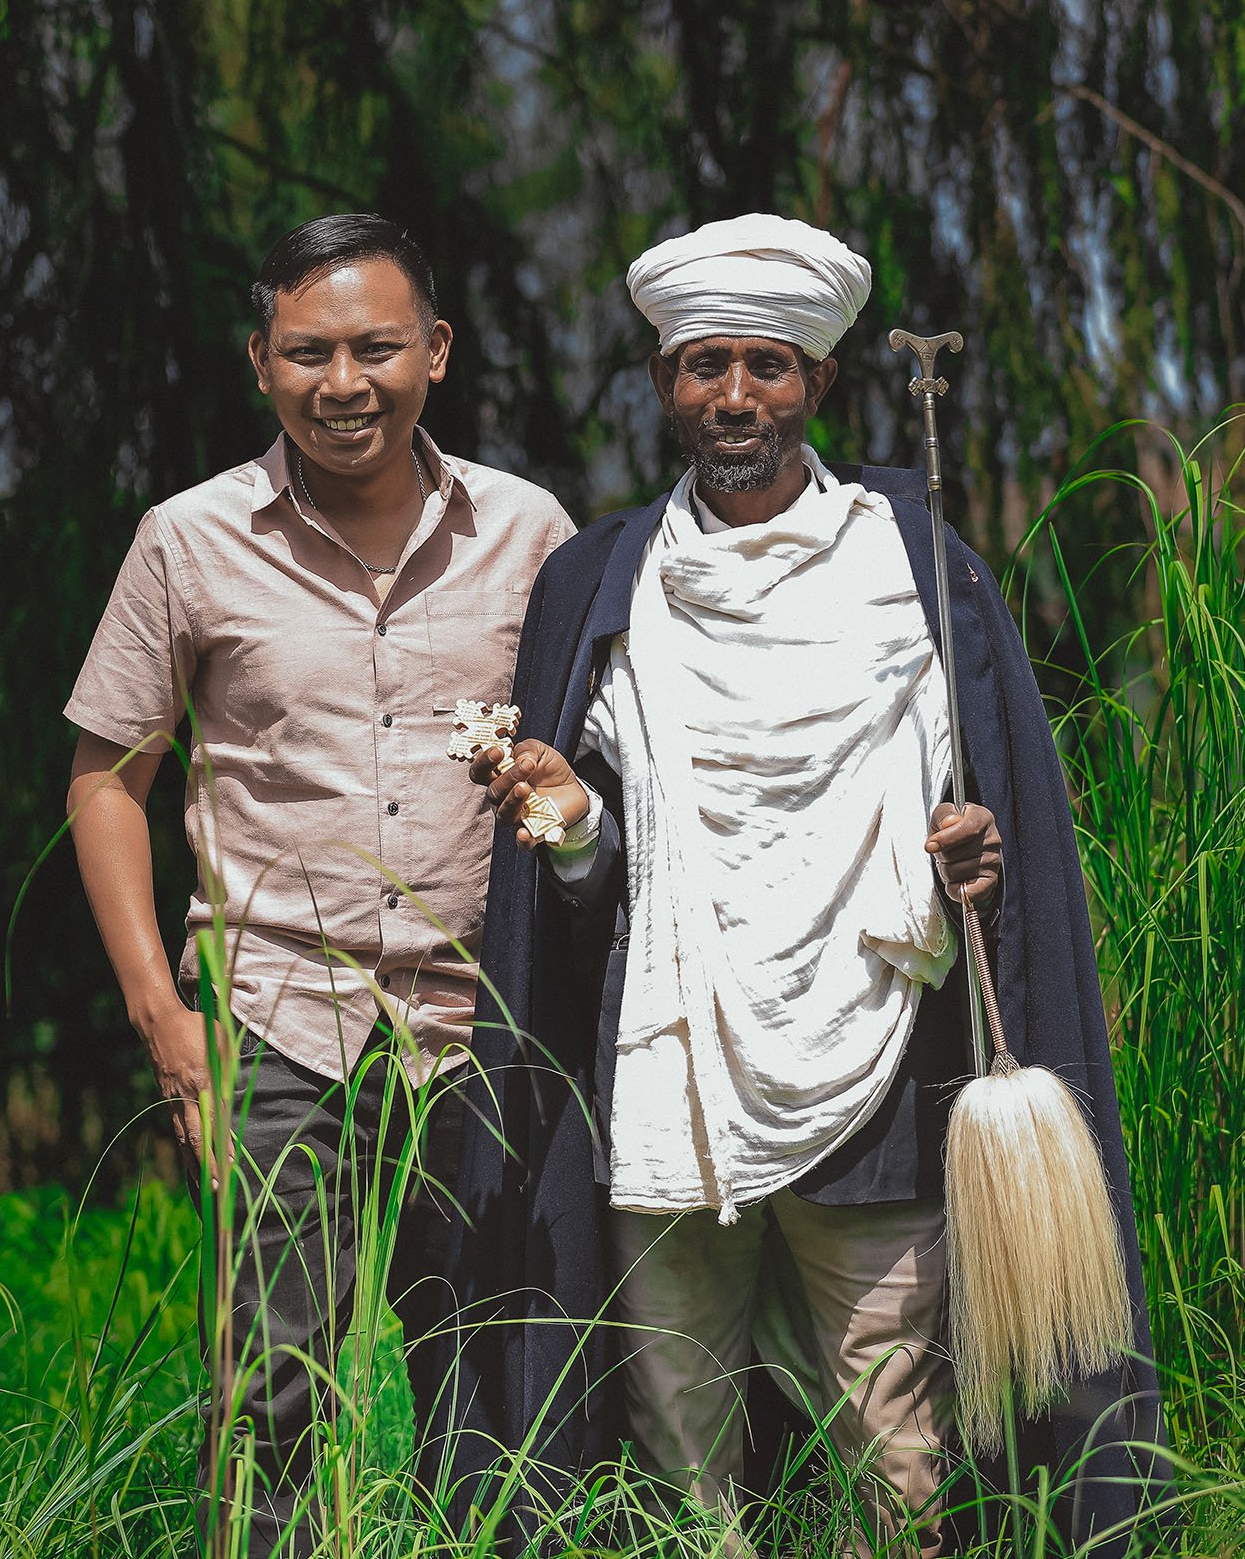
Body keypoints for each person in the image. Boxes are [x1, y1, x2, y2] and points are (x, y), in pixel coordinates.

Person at [440, 215, 1164, 1556]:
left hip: (873, 1070)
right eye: (702, 364)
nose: (732, 396)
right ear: (662, 385)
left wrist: (978, 861)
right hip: (673, 1080)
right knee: (682, 1450)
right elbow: (591, 888)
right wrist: (575, 821)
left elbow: (992, 815)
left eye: (766, 366)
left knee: (896, 1445)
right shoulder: (605, 583)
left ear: (820, 385)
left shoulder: (918, 564)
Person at [64, 214, 574, 1555]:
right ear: (261, 363)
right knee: (271, 1388)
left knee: (494, 1373)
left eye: (374, 348)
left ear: (437, 354)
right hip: (280, 1018)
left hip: (483, 1027)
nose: (342, 382)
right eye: (308, 353)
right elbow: (106, 779)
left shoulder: (527, 533)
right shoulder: (189, 541)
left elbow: (590, 756)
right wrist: (166, 1024)